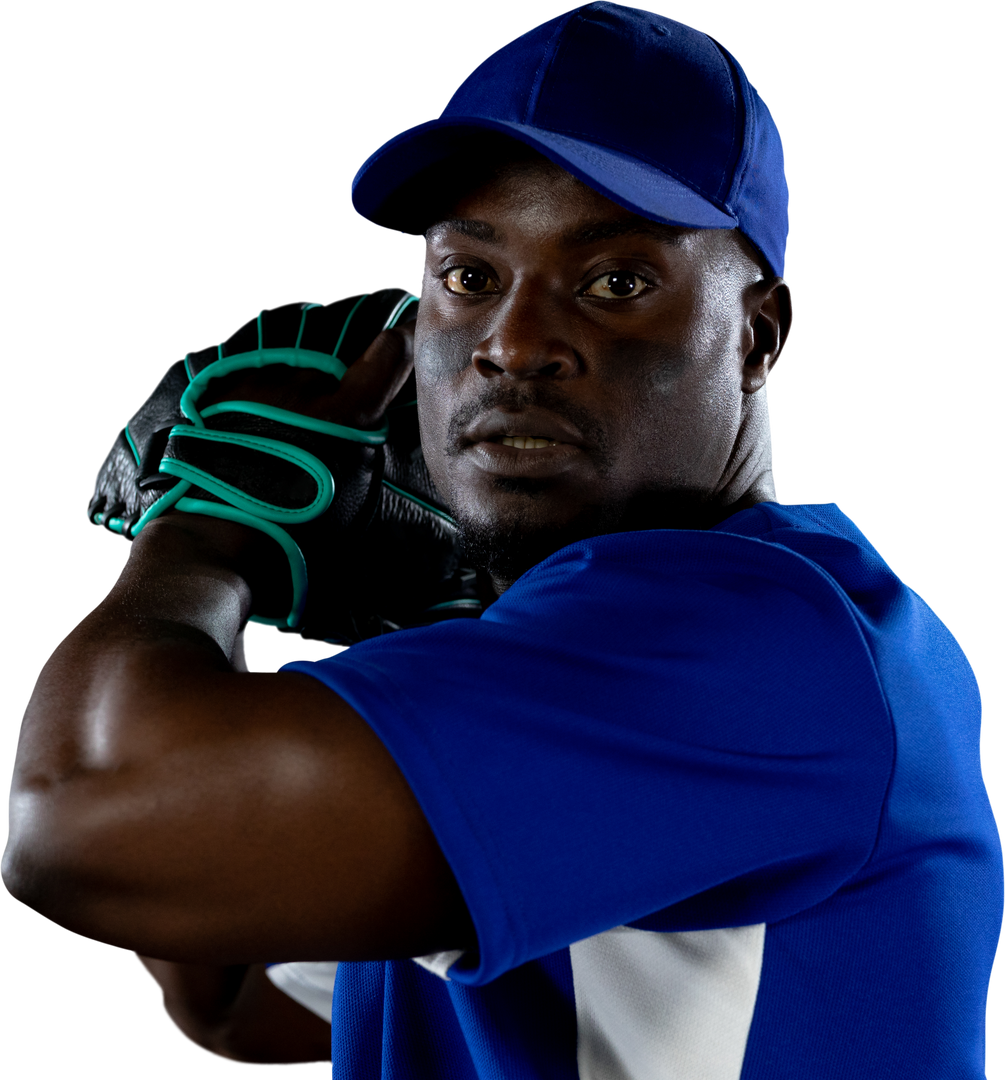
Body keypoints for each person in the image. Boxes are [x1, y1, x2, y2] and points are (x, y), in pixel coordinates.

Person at [4, 4, 999, 1077]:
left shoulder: (762, 639)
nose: (514, 344)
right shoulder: (534, 646)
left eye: (615, 282)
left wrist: (208, 534)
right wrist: (293, 652)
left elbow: (81, 834)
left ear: (760, 334)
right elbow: (241, 1002)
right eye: (470, 278)